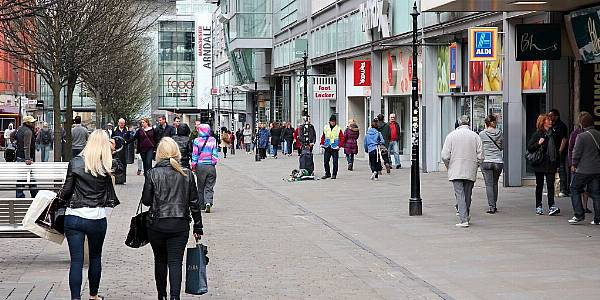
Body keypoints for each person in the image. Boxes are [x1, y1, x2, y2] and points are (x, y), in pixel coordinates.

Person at [59, 129, 122, 300]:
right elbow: (121, 170)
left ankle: (75, 298)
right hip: (97, 218)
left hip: (74, 216)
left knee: (76, 261)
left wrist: (57, 198)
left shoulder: (76, 162)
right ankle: (93, 295)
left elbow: (66, 191)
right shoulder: (108, 164)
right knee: (95, 257)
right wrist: (112, 152)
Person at [142, 137, 203, 300]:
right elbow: (194, 203)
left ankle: (161, 295)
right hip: (180, 224)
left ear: (159, 154)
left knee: (160, 261)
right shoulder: (187, 174)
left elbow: (146, 201)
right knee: (176, 262)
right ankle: (175, 297)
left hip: (157, 224)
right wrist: (198, 227)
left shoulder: (152, 173)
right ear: (177, 153)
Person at [441, 115, 483, 228]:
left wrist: (448, 165)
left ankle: (464, 218)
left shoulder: (451, 136)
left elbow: (444, 155)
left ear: (459, 123)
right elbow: (481, 155)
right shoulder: (475, 136)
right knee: (468, 194)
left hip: (455, 168)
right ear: (468, 123)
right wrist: (476, 164)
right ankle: (466, 214)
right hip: (470, 168)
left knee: (459, 194)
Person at [568, 112, 600, 224]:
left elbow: (576, 153)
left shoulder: (581, 136)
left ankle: (579, 214)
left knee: (574, 188)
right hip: (597, 169)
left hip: (583, 170)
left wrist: (574, 164)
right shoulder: (598, 134)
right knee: (596, 193)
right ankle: (598, 219)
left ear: (582, 124)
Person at [527, 114, 561, 216]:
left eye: (550, 120)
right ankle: (539, 206)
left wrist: (557, 164)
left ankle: (552, 206)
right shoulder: (538, 134)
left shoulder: (554, 134)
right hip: (540, 164)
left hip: (551, 163)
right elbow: (530, 148)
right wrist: (539, 143)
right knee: (540, 185)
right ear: (543, 122)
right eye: (548, 120)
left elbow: (556, 150)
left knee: (551, 185)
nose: (550, 122)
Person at [568, 112, 593, 214]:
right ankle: (580, 208)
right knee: (577, 187)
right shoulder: (575, 134)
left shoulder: (586, 134)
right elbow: (571, 149)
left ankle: (583, 207)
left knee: (582, 188)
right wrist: (572, 164)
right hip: (579, 164)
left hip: (584, 164)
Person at [191, 124, 218, 213]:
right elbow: (215, 154)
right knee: (209, 186)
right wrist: (213, 163)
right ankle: (208, 202)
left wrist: (194, 166)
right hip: (210, 166)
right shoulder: (213, 140)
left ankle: (201, 205)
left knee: (201, 186)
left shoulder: (196, 141)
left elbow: (194, 154)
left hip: (200, 166)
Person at [479, 115, 503, 214]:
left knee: (489, 185)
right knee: (495, 184)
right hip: (498, 161)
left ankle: (491, 206)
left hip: (487, 161)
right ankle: (494, 204)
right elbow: (502, 146)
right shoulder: (500, 133)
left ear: (486, 123)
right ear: (494, 123)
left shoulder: (482, 134)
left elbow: (479, 148)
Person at [548, 109, 569, 197]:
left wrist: (560, 150)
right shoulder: (551, 125)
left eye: (551, 116)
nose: (550, 117)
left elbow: (564, 139)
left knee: (561, 169)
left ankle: (563, 190)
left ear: (556, 116)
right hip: (552, 152)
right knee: (551, 170)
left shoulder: (561, 126)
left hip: (559, 152)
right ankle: (552, 189)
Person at [15, 116, 38, 198]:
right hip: (25, 159)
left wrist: (15, 144)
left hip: (19, 156)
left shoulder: (19, 129)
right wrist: (28, 158)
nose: (34, 123)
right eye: (32, 122)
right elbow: (27, 146)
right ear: (27, 123)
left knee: (25, 177)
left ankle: (33, 194)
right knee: (27, 178)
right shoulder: (28, 132)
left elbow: (12, 135)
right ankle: (30, 195)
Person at [320, 115, 345, 179]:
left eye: (334, 121)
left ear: (335, 122)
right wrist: (321, 143)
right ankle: (327, 173)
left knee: (335, 162)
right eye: (331, 121)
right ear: (329, 121)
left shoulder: (338, 128)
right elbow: (323, 136)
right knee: (325, 162)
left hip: (334, 148)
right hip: (327, 147)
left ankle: (334, 174)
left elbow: (342, 138)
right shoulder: (326, 127)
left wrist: (339, 146)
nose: (333, 122)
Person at [112, 118, 131, 184]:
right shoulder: (115, 130)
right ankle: (117, 178)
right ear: (118, 123)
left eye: (123, 123)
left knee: (124, 164)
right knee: (116, 163)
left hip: (124, 149)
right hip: (117, 149)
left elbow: (129, 139)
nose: (122, 124)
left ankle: (123, 179)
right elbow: (112, 139)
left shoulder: (127, 130)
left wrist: (126, 142)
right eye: (121, 123)